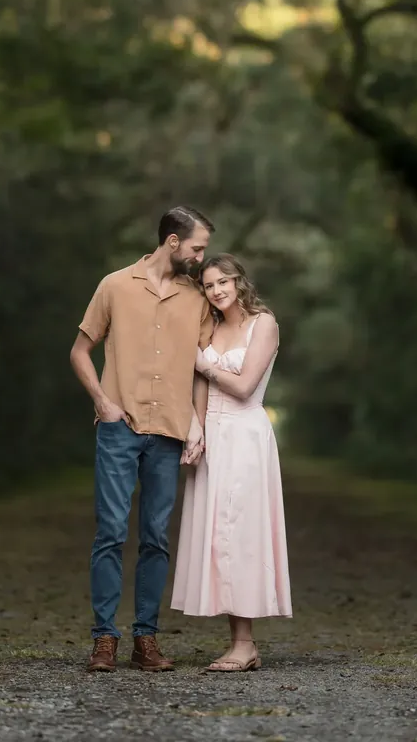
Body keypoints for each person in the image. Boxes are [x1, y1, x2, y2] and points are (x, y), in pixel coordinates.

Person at [70, 206, 215, 674]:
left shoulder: (197, 300)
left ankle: (145, 640)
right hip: (119, 428)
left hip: (170, 432)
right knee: (110, 532)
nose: (201, 258)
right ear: (173, 242)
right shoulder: (114, 285)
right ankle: (104, 640)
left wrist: (199, 423)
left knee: (156, 537)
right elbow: (79, 352)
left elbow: (202, 368)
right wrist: (101, 401)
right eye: (197, 248)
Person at [171, 253, 292, 672]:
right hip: (214, 438)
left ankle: (245, 643)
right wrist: (196, 429)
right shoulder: (212, 328)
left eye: (223, 281)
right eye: (208, 285)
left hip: (245, 435)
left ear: (239, 282)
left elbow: (243, 386)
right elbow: (197, 387)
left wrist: (203, 363)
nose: (217, 290)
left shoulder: (265, 323)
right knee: (218, 537)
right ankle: (238, 641)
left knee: (241, 535)